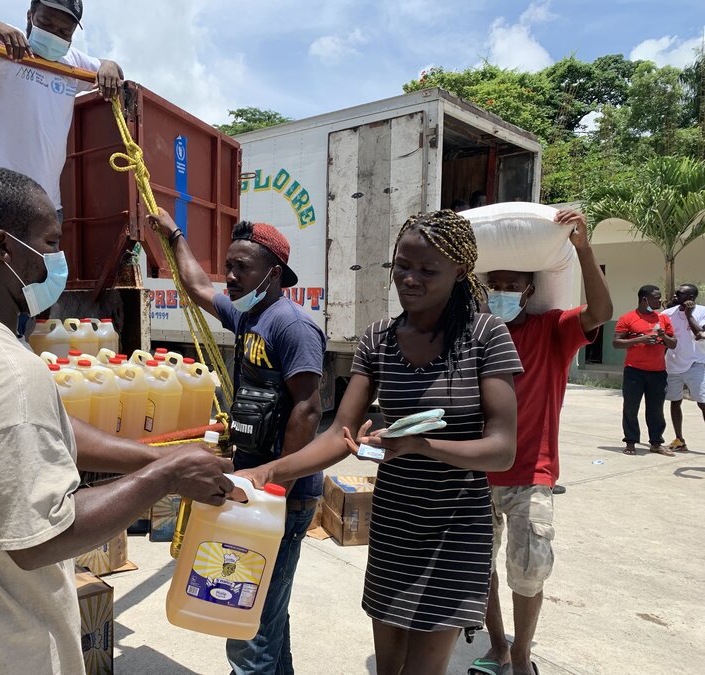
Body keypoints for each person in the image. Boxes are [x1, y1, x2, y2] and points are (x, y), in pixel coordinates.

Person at [0, 166, 233, 674]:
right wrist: (165, 477)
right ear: (4, 248)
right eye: (49, 243)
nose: (58, 262)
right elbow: (42, 536)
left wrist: (157, 455)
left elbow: (50, 428)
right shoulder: (8, 376)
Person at [233, 210, 523, 675]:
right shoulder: (379, 340)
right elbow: (338, 435)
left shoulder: (486, 336)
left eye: (428, 270)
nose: (410, 279)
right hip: (393, 523)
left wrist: (423, 447)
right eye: (401, 266)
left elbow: (502, 448)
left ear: (459, 272)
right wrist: (269, 471)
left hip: (455, 526)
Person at [148, 208, 325, 674]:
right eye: (229, 265)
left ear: (274, 274)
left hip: (280, 494)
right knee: (266, 612)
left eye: (241, 268)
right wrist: (175, 236)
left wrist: (278, 487)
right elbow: (197, 287)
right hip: (254, 488)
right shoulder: (249, 314)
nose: (229, 276)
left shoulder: (292, 325)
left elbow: (307, 409)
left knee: (246, 615)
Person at [469, 209, 613, 675]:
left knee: (529, 572)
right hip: (476, 472)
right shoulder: (475, 335)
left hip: (532, 472)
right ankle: (497, 646)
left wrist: (584, 250)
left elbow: (601, 314)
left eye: (513, 286)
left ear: (529, 290)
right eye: (497, 285)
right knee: (480, 568)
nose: (503, 294)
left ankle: (524, 653)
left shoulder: (551, 329)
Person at [0, 1, 123, 221]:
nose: (55, 34)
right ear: (30, 16)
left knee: (49, 258)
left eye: (64, 32)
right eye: (46, 23)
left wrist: (109, 65)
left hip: (47, 207)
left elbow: (111, 69)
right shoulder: (3, 45)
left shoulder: (71, 62)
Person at [613, 285, 677, 456]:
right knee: (631, 407)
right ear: (644, 299)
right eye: (656, 297)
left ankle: (656, 443)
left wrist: (663, 336)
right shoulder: (628, 318)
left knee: (656, 409)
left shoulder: (662, 319)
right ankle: (630, 442)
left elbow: (673, 344)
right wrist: (641, 339)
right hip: (635, 371)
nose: (659, 300)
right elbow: (616, 343)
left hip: (658, 371)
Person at [663, 284, 705, 452]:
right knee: (675, 402)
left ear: (691, 298)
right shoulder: (666, 315)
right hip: (673, 365)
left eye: (679, 294)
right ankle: (679, 440)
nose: (674, 296)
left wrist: (688, 315)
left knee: (703, 403)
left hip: (696, 364)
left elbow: (699, 335)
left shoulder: (702, 312)